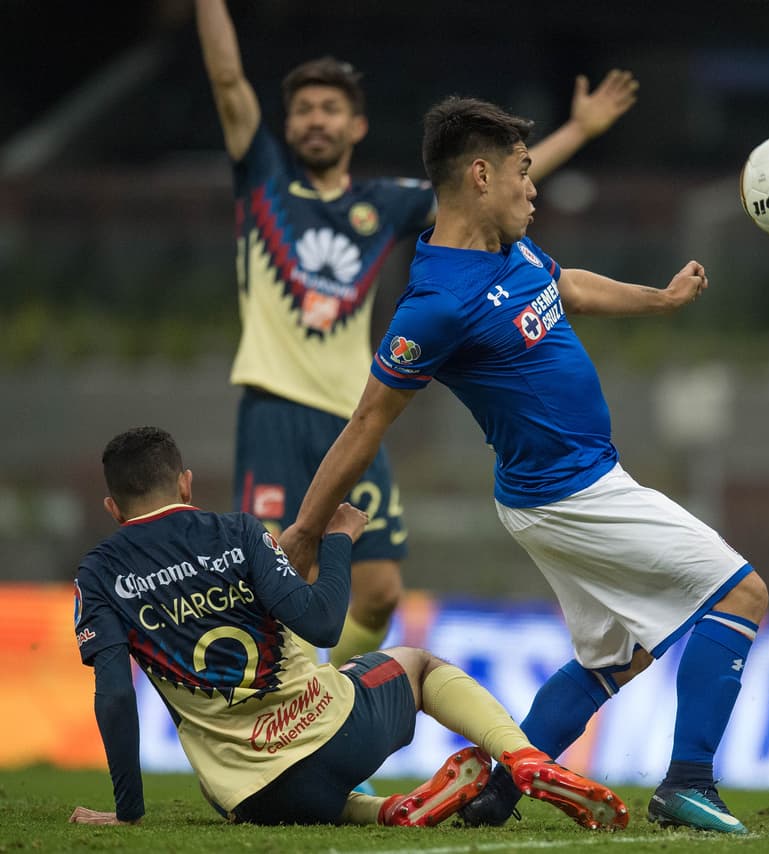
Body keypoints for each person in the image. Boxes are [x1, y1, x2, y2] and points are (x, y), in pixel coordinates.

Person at [278, 96, 769, 835]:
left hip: (577, 481)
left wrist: (659, 300)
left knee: (617, 657)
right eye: (523, 173)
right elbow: (367, 419)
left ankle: (496, 793)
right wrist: (307, 531)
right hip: (568, 492)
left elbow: (565, 287)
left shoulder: (512, 252)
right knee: (743, 593)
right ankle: (688, 781)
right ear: (480, 175)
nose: (533, 189)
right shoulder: (436, 303)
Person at [196, 0, 639, 666]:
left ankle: (327, 699)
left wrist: (577, 131)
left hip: (352, 414)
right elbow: (229, 82)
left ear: (357, 125)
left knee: (377, 595)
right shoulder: (264, 187)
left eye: (331, 108)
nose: (316, 119)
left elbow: (484, 182)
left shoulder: (384, 204)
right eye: (304, 109)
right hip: (274, 413)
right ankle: (273, 728)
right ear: (286, 124)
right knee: (268, 583)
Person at [68, 426, 627, 830]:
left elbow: (115, 695)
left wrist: (127, 812)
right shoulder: (237, 532)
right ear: (186, 484)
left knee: (243, 787)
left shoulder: (99, 574)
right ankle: (523, 757)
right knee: (418, 664)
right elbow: (323, 622)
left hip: (251, 794)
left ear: (114, 508)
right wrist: (339, 540)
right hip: (334, 737)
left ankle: (390, 811)